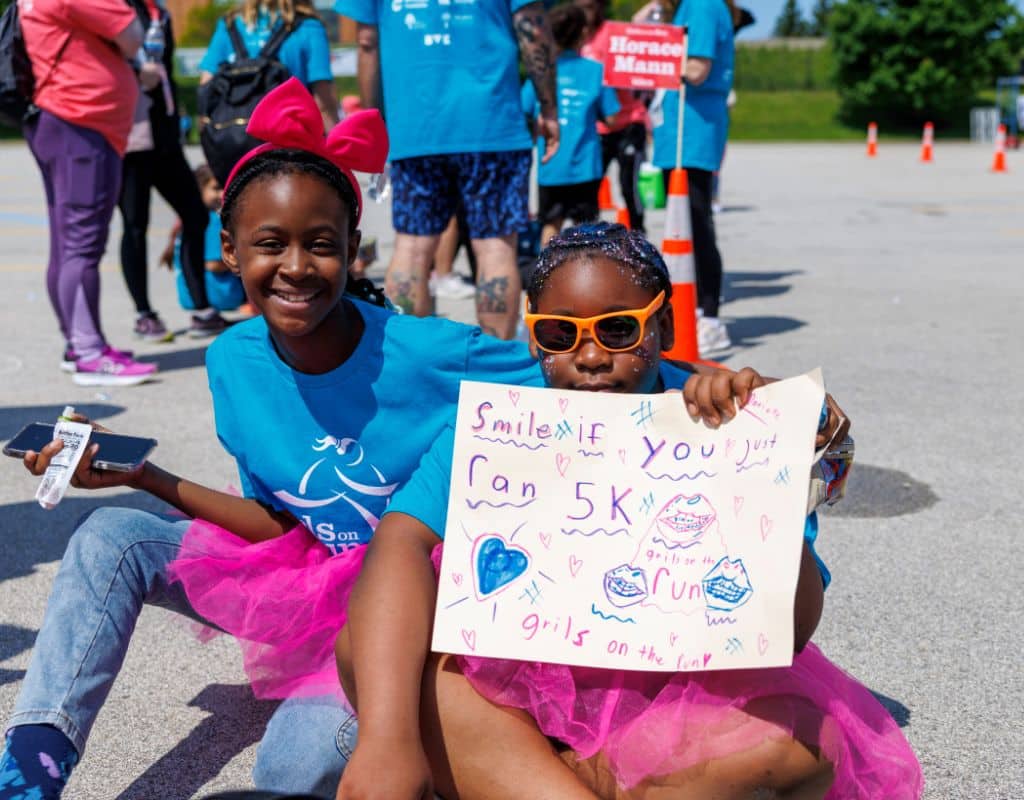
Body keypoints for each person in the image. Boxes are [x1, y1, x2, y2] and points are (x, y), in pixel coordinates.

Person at [0, 79, 711, 800]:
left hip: (398, 618)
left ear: (353, 248)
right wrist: (144, 478)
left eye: (320, 245)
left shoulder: (431, 351)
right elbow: (282, 526)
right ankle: (30, 768)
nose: (295, 267)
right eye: (270, 244)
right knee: (110, 536)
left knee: (292, 770)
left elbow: (586, 359)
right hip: (297, 585)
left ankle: (417, 737)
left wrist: (715, 390)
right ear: (230, 249)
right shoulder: (232, 360)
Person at [334, 222, 923, 800]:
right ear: (534, 338)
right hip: (512, 688)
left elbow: (790, 632)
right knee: (368, 649)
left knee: (809, 743)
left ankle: (541, 780)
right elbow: (400, 540)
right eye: (560, 334)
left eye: (618, 330)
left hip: (672, 700)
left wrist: (771, 465)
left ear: (663, 326)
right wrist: (386, 744)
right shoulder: (501, 423)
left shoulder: (726, 420)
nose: (591, 357)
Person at [336, 0, 560, 338]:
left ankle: (410, 353)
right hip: (491, 123)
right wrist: (549, 108)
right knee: (495, 248)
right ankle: (494, 358)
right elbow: (534, 30)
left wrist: (375, 119)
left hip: (415, 123)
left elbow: (367, 42)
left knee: (412, 247)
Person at [20, 0, 158, 386]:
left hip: (63, 121)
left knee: (66, 244)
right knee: (82, 245)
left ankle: (78, 344)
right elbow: (132, 36)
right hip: (82, 124)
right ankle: (89, 353)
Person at [120, 0, 231, 343]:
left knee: (195, 215)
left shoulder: (159, 13)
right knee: (135, 224)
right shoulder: (115, 8)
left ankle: (201, 310)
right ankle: (143, 314)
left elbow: (163, 67)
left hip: (164, 134)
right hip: (130, 134)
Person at [641, 0, 735, 355]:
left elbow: (696, 69)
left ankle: (710, 318)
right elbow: (639, 26)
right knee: (681, 228)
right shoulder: (685, 8)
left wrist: (651, 57)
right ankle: (692, 310)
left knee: (696, 224)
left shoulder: (702, 6)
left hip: (693, 132)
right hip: (678, 131)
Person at [522, 4, 620, 246]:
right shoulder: (596, 71)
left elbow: (524, 110)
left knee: (550, 224)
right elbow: (612, 119)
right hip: (584, 166)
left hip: (550, 166)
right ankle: (583, 269)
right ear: (584, 33)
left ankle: (546, 268)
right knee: (585, 229)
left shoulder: (541, 72)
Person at [199, 0, 339, 131]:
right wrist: (334, 138)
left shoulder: (229, 25)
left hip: (234, 135)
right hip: (288, 135)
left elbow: (206, 85)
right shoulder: (310, 27)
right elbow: (323, 102)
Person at [577, 0, 651, 234]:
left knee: (629, 184)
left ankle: (638, 233)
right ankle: (589, 236)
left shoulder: (614, 33)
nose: (585, 11)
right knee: (589, 185)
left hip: (629, 120)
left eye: (590, 6)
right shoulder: (576, 38)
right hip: (597, 127)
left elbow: (642, 33)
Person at [158, 164, 248, 315]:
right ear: (199, 190)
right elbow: (214, 264)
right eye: (216, 188)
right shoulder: (214, 220)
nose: (222, 194)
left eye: (225, 187)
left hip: (189, 297)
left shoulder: (186, 221)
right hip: (221, 297)